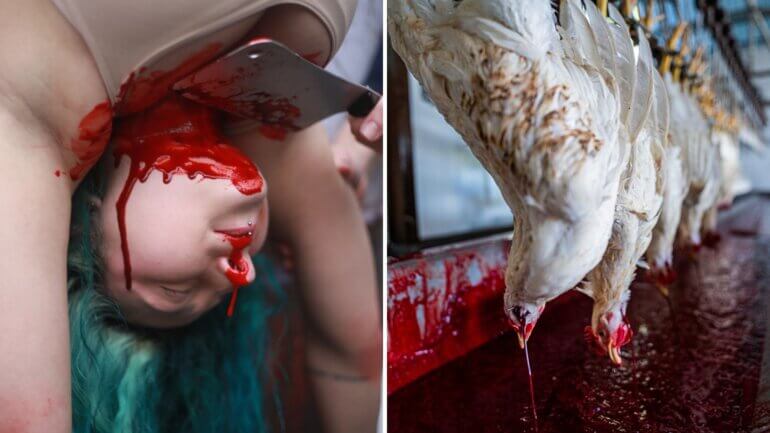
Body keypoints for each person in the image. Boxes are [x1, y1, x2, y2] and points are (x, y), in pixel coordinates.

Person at [0, 1, 380, 432]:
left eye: (175, 289)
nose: (242, 272)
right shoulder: (265, 126)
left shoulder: (24, 138)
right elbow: (352, 357)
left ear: (75, 233)